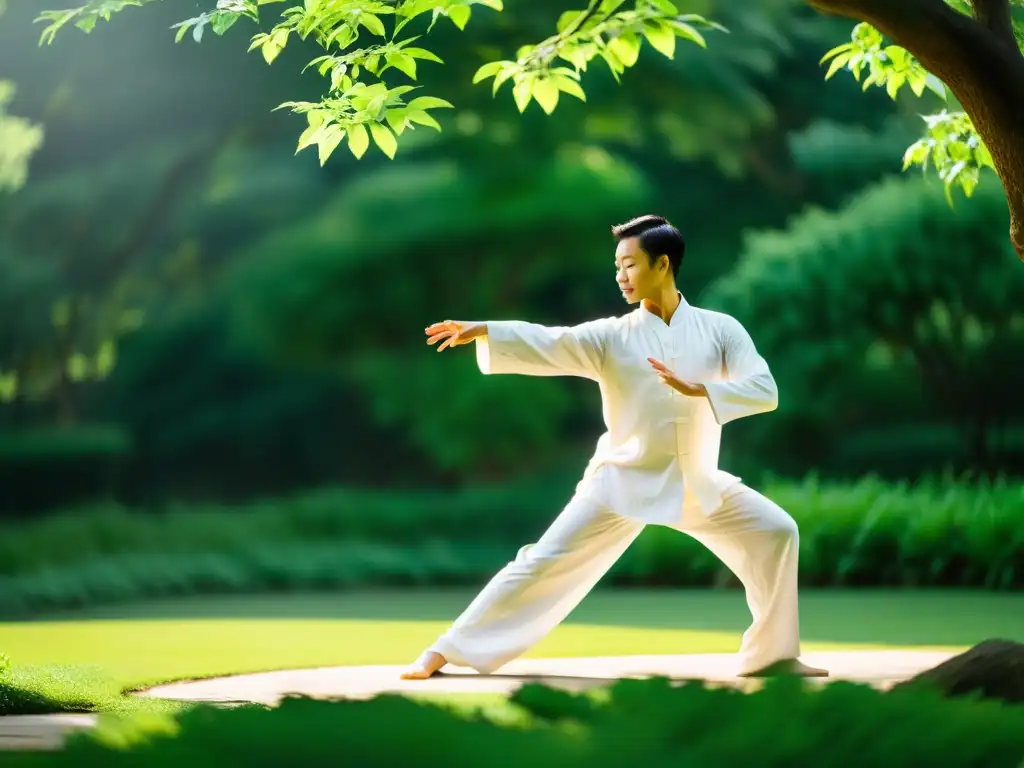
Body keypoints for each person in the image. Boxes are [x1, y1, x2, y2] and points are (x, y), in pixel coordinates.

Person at [402, 214, 827, 681]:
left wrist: (702, 391)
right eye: (617, 265)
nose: (620, 275)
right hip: (620, 481)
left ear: (662, 264)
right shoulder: (611, 335)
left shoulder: (720, 329)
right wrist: (486, 329)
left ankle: (772, 655)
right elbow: (551, 340)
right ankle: (445, 651)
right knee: (541, 563)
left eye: (629, 264)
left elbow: (765, 389)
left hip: (697, 481)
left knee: (778, 532)